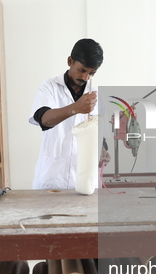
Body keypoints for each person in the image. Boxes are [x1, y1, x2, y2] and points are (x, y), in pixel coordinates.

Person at [29, 38, 103, 190]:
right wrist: (76, 107)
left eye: (91, 73)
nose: (85, 78)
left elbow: (101, 137)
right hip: (52, 178)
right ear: (70, 61)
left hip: (85, 181)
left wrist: (104, 153)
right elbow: (44, 119)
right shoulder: (49, 87)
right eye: (82, 70)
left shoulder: (97, 97)